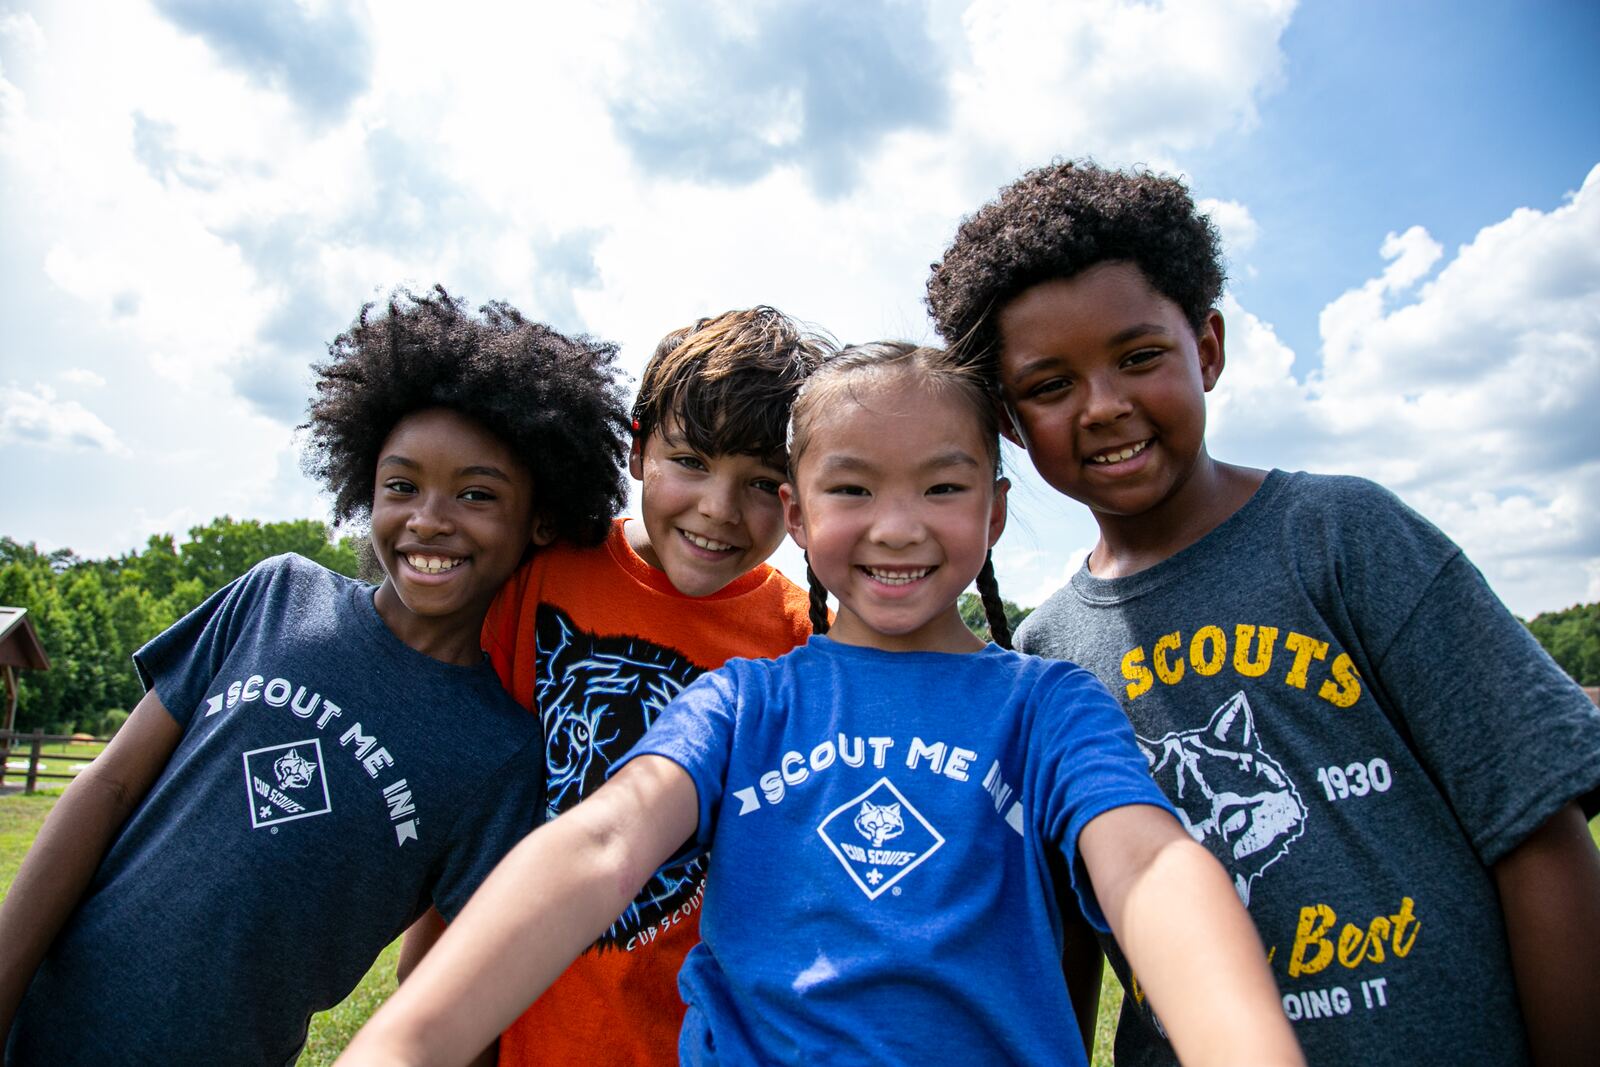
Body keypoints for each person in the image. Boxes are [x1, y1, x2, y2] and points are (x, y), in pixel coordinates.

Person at [336, 342, 1305, 1067]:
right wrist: (406, 1043)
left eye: (941, 485)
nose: (896, 524)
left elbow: (1146, 861)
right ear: (798, 513)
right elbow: (602, 843)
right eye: (851, 486)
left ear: (994, 511)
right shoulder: (745, 697)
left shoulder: (1047, 703)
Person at [925, 159, 1600, 1066]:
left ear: (1206, 346)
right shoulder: (1046, 652)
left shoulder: (1340, 537)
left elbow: (1536, 831)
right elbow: (1071, 943)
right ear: (1009, 420)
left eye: (1139, 357)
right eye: (1050, 385)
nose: (1106, 405)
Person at [0, 287, 633, 1066]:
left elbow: (446, 976)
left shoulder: (500, 755)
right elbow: (107, 788)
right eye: (401, 485)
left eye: (475, 494)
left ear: (541, 519)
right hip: (42, 1029)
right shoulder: (274, 596)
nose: (428, 518)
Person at [396, 306, 831, 1067]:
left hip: (689, 1038)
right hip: (508, 1018)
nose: (717, 509)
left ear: (798, 495)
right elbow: (471, 787)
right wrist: (425, 963)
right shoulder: (545, 572)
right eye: (690, 460)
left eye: (762, 480)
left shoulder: (801, 641)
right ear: (637, 449)